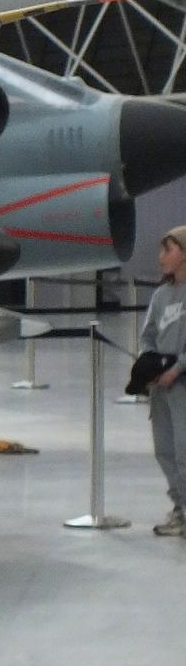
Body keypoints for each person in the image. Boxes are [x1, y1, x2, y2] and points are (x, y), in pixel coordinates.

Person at [142, 227, 186, 536]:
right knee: (165, 448)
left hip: (182, 381)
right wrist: (152, 365)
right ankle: (179, 506)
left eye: (167, 250)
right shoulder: (160, 296)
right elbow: (147, 336)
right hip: (162, 385)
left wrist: (178, 368)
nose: (160, 258)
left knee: (185, 449)